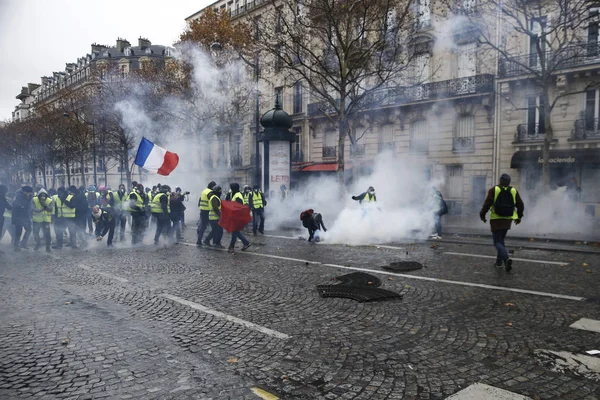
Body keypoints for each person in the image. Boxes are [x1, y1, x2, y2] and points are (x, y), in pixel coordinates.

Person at [480, 173, 525, 272]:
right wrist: (519, 217)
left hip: (496, 220)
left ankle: (506, 259)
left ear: (500, 181)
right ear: (509, 182)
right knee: (501, 241)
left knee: (497, 242)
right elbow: (521, 205)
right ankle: (499, 262)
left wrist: (482, 215)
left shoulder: (494, 190)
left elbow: (487, 204)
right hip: (507, 220)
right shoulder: (513, 191)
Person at [227, 183, 251, 253]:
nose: (231, 190)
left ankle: (232, 246)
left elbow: (238, 207)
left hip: (236, 217)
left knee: (234, 232)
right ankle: (246, 243)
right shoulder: (236, 194)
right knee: (236, 232)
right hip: (236, 216)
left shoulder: (237, 196)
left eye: (231, 188)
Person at [11, 185, 34, 251]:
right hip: (18, 217)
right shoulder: (19, 197)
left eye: (30, 193)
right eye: (28, 192)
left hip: (26, 216)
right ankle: (16, 246)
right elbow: (15, 207)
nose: (29, 194)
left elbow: (29, 206)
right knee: (18, 232)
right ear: (24, 191)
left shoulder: (29, 197)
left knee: (29, 229)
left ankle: (23, 243)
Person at [197, 181, 216, 246]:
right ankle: (208, 240)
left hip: (203, 210)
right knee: (215, 227)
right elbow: (212, 201)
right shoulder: (210, 192)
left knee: (203, 226)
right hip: (208, 211)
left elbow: (200, 200)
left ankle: (199, 241)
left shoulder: (204, 191)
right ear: (212, 186)